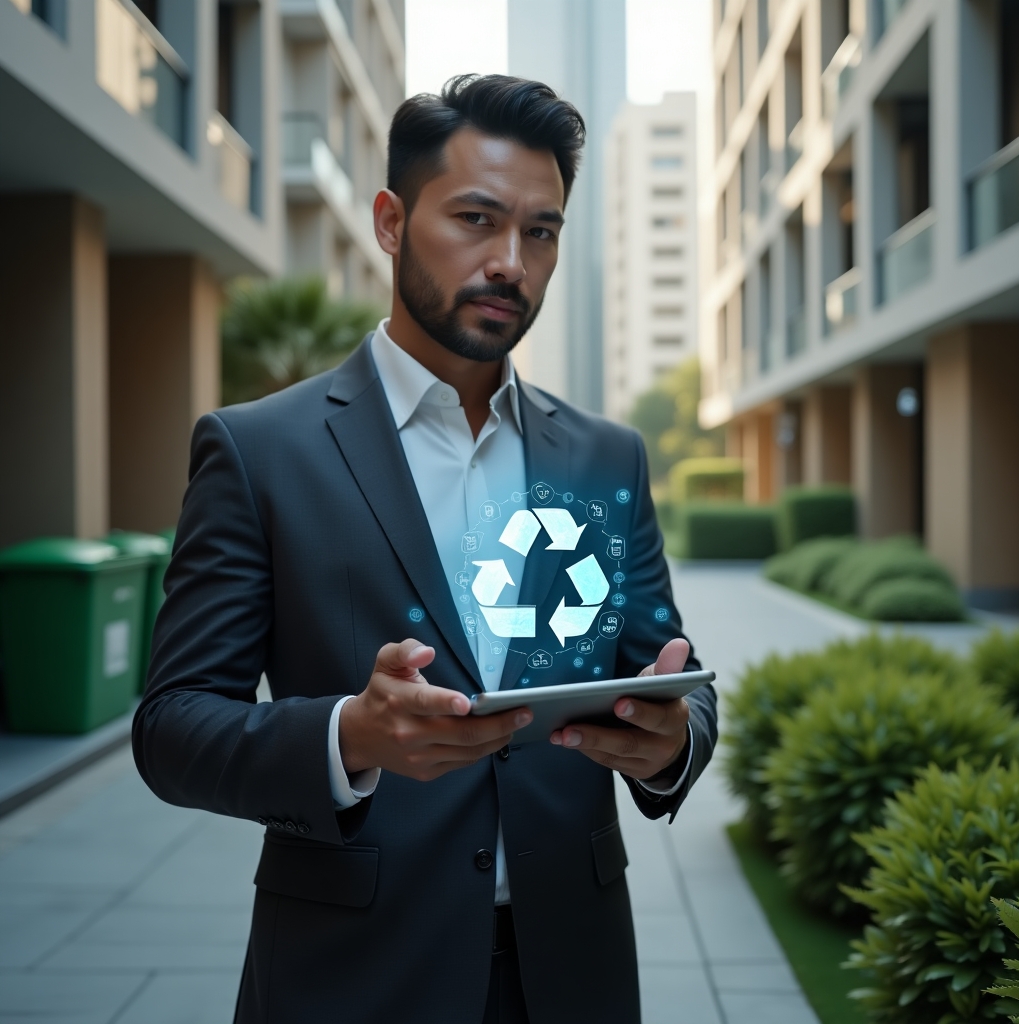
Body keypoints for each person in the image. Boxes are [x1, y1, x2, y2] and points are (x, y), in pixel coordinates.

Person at [133, 74, 717, 1024]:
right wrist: (348, 737)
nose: (510, 263)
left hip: (573, 973)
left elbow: (671, 679)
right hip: (352, 973)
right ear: (392, 222)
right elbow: (173, 727)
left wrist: (669, 743)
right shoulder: (259, 451)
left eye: (541, 231)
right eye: (476, 219)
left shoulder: (607, 456)